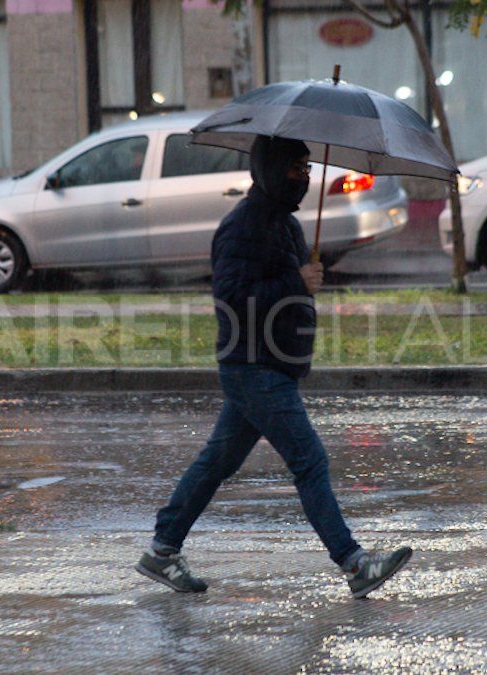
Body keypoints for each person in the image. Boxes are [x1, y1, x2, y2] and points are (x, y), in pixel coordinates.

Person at [135, 135, 413, 599]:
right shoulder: (242, 226)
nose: (303, 177)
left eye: (307, 169)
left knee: (216, 463)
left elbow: (284, 288)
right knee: (309, 459)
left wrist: (304, 282)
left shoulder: (286, 224)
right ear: (270, 168)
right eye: (295, 168)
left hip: (273, 363)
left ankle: (162, 550)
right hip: (253, 365)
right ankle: (354, 562)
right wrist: (295, 281)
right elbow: (231, 298)